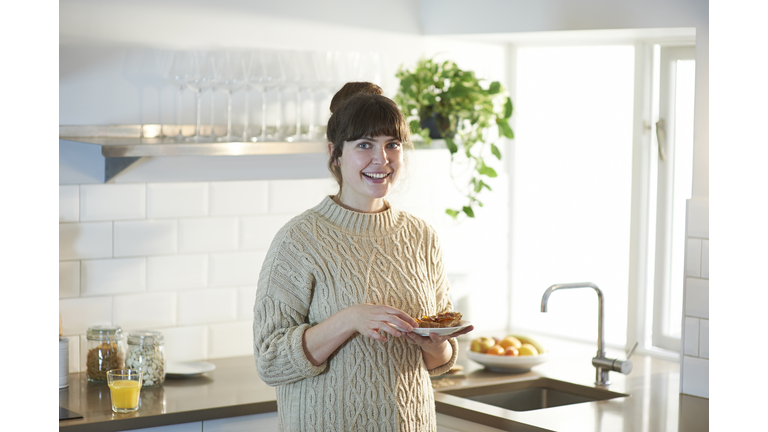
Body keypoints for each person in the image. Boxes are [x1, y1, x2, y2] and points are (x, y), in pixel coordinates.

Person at [252, 82, 473, 432]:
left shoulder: (421, 236)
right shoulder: (299, 239)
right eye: (364, 145)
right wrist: (349, 319)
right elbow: (270, 361)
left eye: (392, 145)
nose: (381, 160)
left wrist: (435, 344)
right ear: (335, 153)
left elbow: (440, 361)